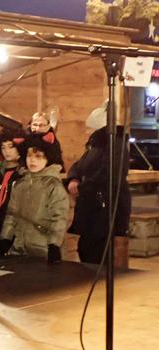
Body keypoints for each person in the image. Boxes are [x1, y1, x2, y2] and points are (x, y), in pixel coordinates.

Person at [66, 103, 131, 264]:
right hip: (94, 204)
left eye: (90, 128)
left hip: (104, 206)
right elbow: (79, 165)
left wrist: (82, 188)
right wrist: (74, 178)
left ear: (99, 128)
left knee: (96, 249)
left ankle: (98, 277)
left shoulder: (114, 145)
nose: (87, 131)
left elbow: (109, 175)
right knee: (88, 247)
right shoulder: (95, 146)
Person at [0, 132, 69, 263]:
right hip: (18, 248)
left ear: (48, 159)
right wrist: (6, 238)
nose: (32, 160)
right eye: (29, 155)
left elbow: (59, 217)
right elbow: (12, 214)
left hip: (44, 250)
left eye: (38, 156)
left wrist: (54, 245)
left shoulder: (53, 185)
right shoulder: (20, 184)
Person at [0, 128, 26, 251]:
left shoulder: (23, 172)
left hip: (14, 227)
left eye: (11, 146)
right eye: (3, 147)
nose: (6, 151)